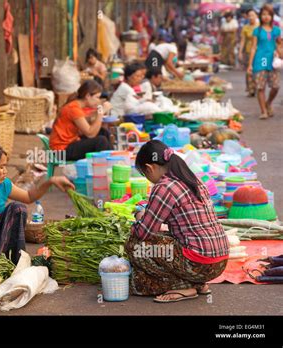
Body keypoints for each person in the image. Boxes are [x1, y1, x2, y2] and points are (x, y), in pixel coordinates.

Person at [126, 140, 229, 303]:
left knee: (134, 245)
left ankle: (185, 286)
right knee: (161, 239)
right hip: (220, 260)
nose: (149, 179)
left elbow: (143, 232)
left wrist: (140, 216)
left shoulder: (164, 186)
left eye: (145, 174)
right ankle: (198, 283)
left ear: (150, 167)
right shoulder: (191, 179)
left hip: (198, 261)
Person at [49, 80, 113, 161]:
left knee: (103, 132)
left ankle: (112, 160)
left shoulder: (76, 106)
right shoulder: (73, 109)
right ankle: (101, 167)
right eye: (97, 97)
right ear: (88, 96)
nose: (98, 100)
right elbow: (90, 134)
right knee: (101, 141)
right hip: (61, 151)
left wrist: (97, 113)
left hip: (69, 144)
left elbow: (83, 130)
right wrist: (101, 112)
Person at [248, 4, 282, 119]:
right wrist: (250, 64)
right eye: (263, 14)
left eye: (268, 14)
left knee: (276, 86)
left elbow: (279, 45)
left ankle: (268, 103)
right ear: (260, 16)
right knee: (260, 87)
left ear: (272, 16)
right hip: (260, 60)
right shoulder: (257, 31)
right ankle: (263, 111)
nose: (266, 17)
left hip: (272, 61)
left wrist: (280, 54)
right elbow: (253, 47)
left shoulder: (276, 30)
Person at [239, 9, 259, 97]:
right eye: (249, 15)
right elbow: (242, 41)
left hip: (259, 52)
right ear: (247, 17)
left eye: (253, 15)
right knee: (249, 71)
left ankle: (257, 87)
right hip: (248, 52)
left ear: (256, 16)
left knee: (258, 71)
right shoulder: (245, 28)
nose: (251, 17)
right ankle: (251, 89)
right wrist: (240, 52)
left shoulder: (260, 27)